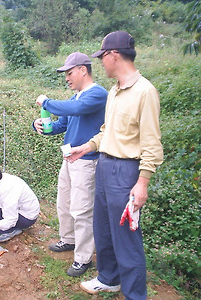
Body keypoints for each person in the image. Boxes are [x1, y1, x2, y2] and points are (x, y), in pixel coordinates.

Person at [67, 31, 164, 299]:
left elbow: (152, 143)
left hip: (126, 171)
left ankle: (135, 294)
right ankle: (108, 278)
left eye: (102, 58)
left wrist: (142, 182)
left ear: (113, 55)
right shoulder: (114, 91)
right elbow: (107, 131)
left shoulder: (145, 91)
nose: (101, 63)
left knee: (126, 237)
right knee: (103, 229)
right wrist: (87, 147)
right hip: (104, 165)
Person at [32, 52, 107, 277]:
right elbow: (61, 124)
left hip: (87, 162)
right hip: (69, 159)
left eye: (70, 72)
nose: (67, 78)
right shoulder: (76, 98)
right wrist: (41, 126)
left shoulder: (97, 94)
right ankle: (69, 240)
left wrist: (46, 102)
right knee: (64, 203)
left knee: (82, 210)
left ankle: (83, 258)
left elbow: (75, 110)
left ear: (83, 70)